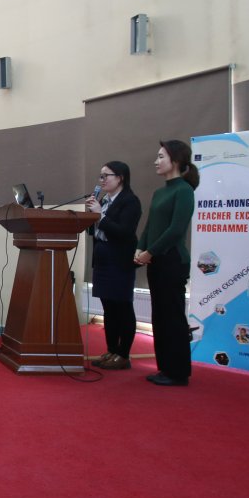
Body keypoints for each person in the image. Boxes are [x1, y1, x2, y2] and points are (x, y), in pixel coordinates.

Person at [135, 140, 199, 387]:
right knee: (160, 316)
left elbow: (175, 230)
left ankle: (178, 372)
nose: (156, 161)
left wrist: (150, 252)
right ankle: (165, 367)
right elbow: (150, 226)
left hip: (172, 261)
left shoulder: (184, 190)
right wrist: (140, 248)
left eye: (161, 157)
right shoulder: (159, 192)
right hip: (156, 260)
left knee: (172, 317)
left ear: (176, 160)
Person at [85, 161, 142, 370]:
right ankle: (111, 350)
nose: (102, 180)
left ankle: (123, 354)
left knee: (122, 306)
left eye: (106, 176)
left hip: (119, 260)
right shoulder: (104, 200)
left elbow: (124, 232)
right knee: (108, 307)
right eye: (100, 176)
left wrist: (100, 215)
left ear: (120, 178)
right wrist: (91, 216)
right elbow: (95, 231)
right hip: (103, 258)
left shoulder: (130, 201)